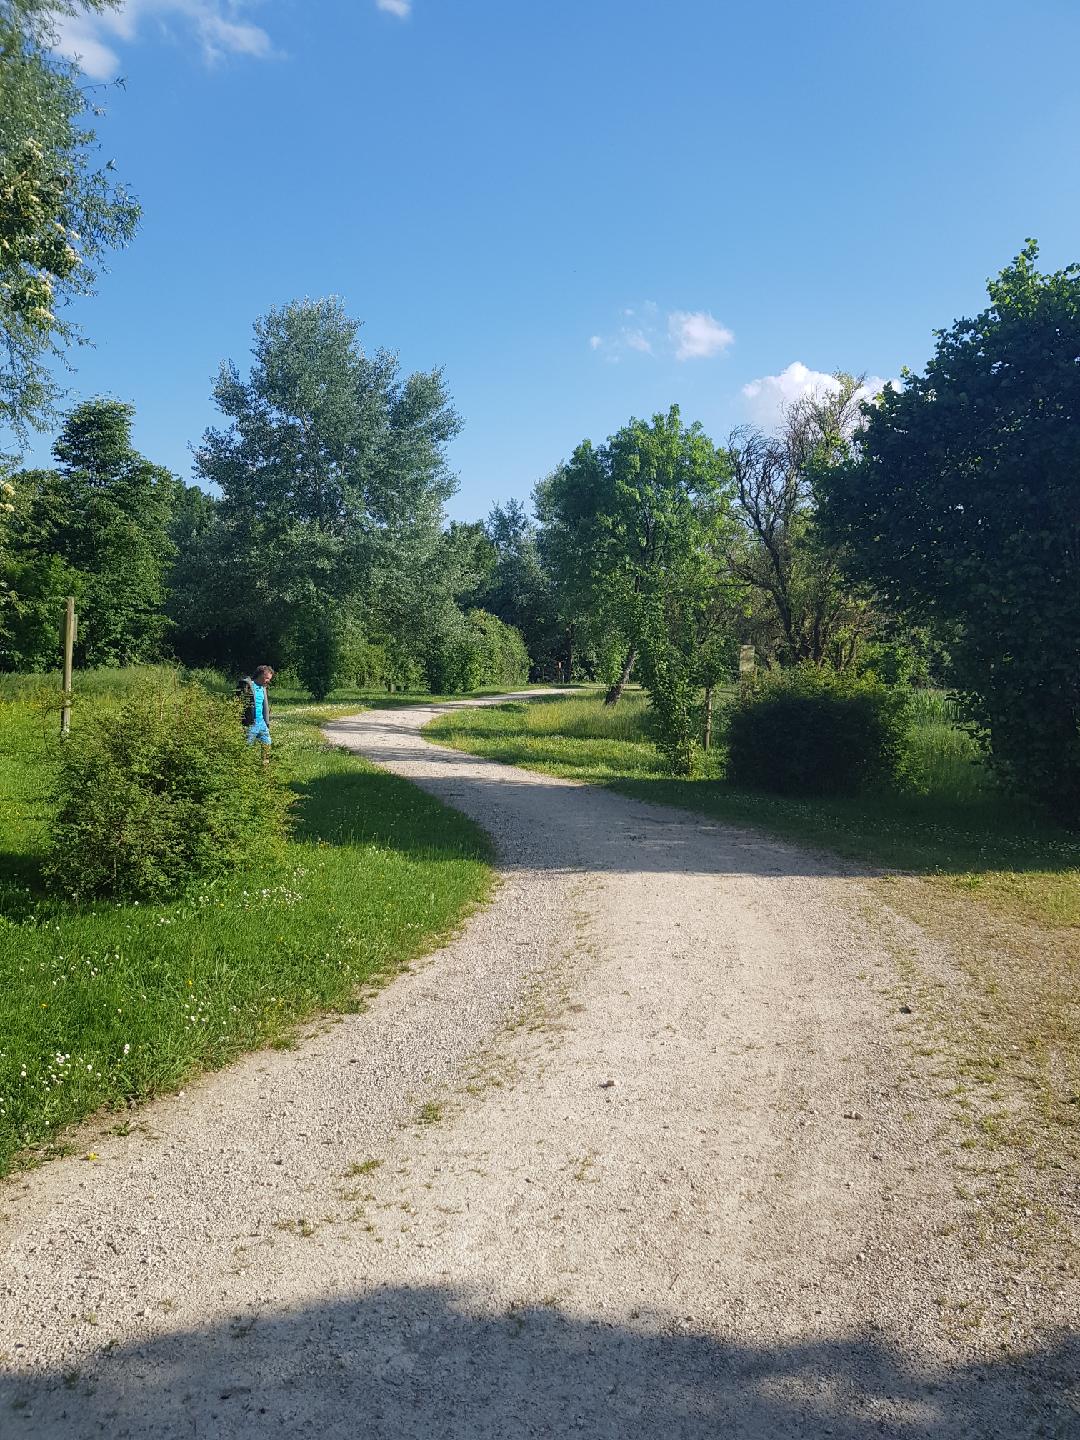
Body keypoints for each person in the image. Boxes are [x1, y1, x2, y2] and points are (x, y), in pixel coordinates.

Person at [237, 665, 274, 751]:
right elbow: (238, 704)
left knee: (267, 746)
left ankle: (265, 764)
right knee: (247, 748)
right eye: (267, 678)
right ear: (261, 675)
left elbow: (264, 706)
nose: (269, 681)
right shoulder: (247, 686)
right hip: (250, 723)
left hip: (262, 723)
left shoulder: (263, 688)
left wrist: (267, 722)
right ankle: (246, 764)